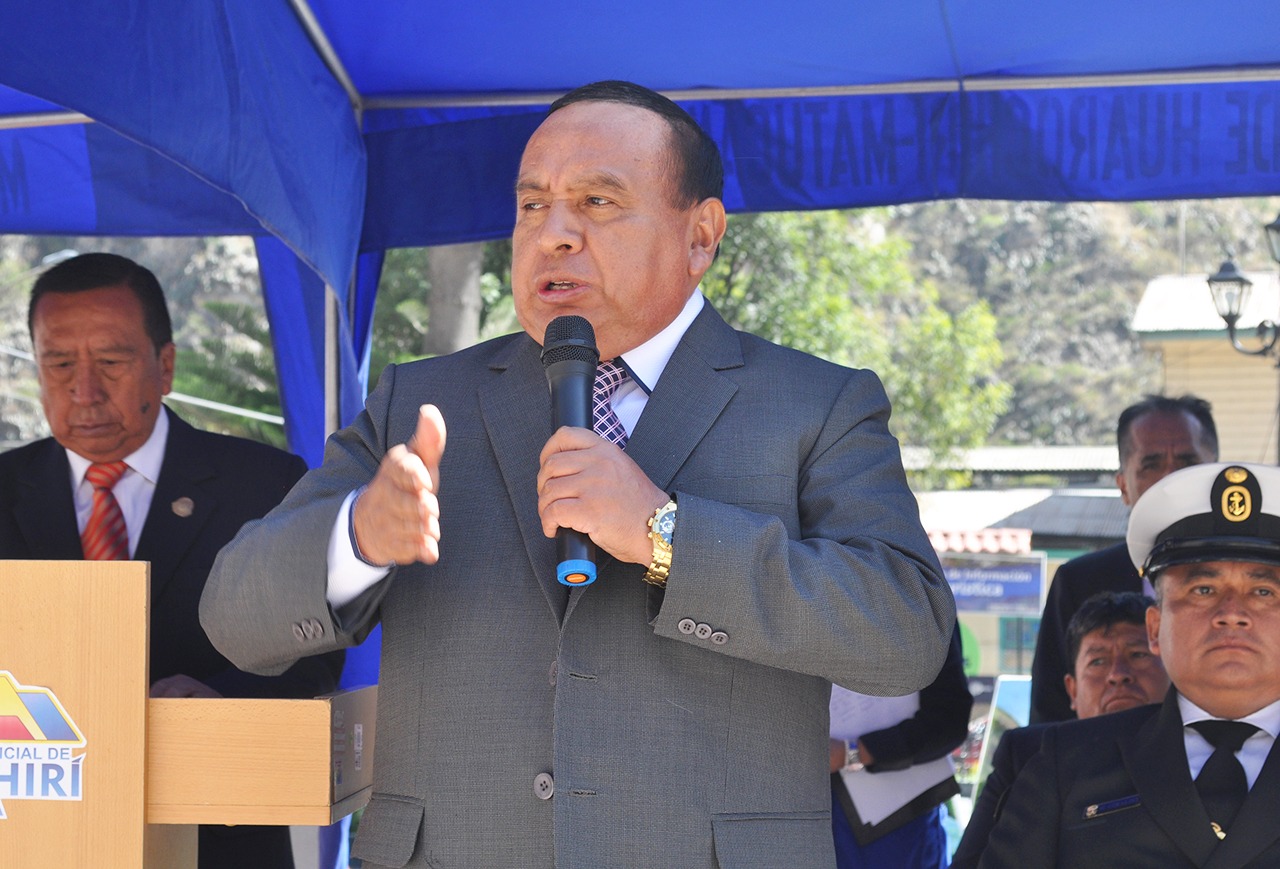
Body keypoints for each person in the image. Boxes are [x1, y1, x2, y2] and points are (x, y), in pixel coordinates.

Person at [200, 80, 956, 868]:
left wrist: (668, 536)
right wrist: (355, 537)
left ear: (701, 235)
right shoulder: (418, 405)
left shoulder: (816, 403)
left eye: (596, 202)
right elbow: (232, 613)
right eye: (532, 206)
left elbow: (905, 632)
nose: (554, 234)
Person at [0, 252, 343, 869]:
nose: (83, 390)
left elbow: (315, 655)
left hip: (213, 839)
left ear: (165, 366)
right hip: (33, 833)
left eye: (110, 361)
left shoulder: (262, 484)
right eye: (57, 363)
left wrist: (220, 701)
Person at [979, 462, 1280, 868]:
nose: (1231, 613)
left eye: (1263, 591)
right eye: (1203, 589)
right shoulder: (1064, 763)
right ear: (1154, 629)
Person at [1029, 394, 1217, 723]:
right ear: (1123, 486)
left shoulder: (1262, 577)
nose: (1171, 480)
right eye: (1151, 464)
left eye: (1188, 462)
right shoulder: (1079, 582)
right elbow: (1050, 715)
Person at [949, 591, 1167, 869]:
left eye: (1138, 655)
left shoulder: (1205, 745)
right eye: (1097, 661)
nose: (1118, 674)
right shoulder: (1026, 755)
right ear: (1072, 690)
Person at [829, 627, 972, 869]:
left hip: (893, 823)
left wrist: (853, 751)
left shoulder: (920, 594)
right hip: (785, 810)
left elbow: (949, 718)